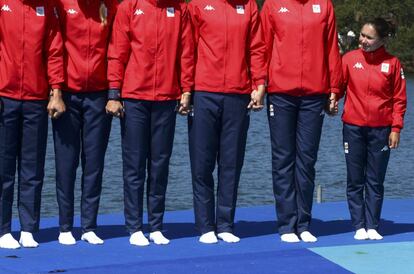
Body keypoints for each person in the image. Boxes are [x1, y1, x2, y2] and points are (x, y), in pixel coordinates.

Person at [106, 0, 193, 246]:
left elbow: (185, 51)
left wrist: (186, 89)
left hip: (166, 97)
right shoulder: (129, 7)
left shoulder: (179, 8)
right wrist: (114, 93)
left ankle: (156, 226)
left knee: (160, 164)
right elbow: (117, 51)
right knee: (134, 165)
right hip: (134, 98)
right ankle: (134, 227)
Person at [260, 0, 342, 243]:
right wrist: (259, 84)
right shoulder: (273, 4)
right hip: (281, 93)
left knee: (306, 160)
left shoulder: (324, 5)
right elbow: (262, 47)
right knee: (283, 158)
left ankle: (303, 223)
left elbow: (331, 49)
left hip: (314, 95)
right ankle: (287, 224)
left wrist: (334, 88)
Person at [188, 0, 266, 244]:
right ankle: (205, 225)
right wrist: (186, 89)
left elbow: (257, 48)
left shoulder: (249, 5)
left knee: (231, 163)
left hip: (237, 93)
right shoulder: (198, 5)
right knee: (202, 163)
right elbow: (187, 49)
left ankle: (225, 224)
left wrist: (259, 84)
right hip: (204, 92)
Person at [52, 0, 118, 245]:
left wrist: (114, 93)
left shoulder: (111, 7)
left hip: (98, 96)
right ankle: (65, 226)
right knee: (66, 164)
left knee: (93, 164)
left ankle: (89, 226)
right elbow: (55, 48)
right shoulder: (63, 4)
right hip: (68, 95)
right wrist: (56, 90)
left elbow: (115, 51)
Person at [0, 0, 64, 249]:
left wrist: (56, 92)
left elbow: (54, 50)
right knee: (3, 168)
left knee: (32, 168)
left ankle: (28, 228)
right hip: (5, 97)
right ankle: (3, 229)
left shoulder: (47, 7)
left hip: (36, 99)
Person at [340, 18, 407, 241]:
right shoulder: (349, 59)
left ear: (382, 39)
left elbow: (399, 99)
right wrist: (330, 100)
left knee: (375, 180)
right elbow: (338, 87)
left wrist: (396, 127)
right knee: (355, 178)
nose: (363, 40)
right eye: (362, 35)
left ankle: (373, 225)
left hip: (381, 130)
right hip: (353, 127)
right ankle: (358, 224)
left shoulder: (393, 63)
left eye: (369, 37)